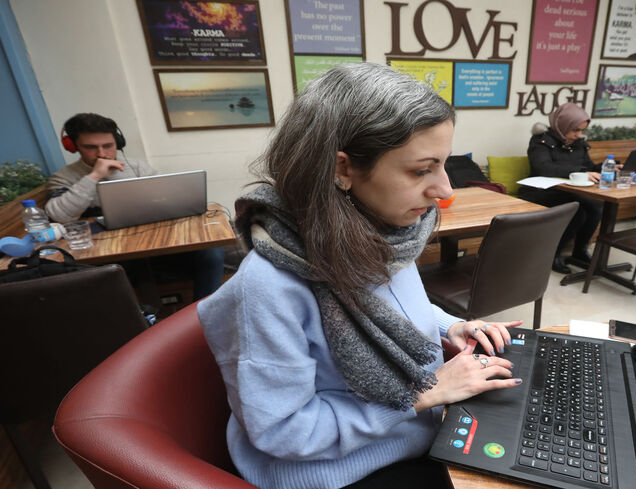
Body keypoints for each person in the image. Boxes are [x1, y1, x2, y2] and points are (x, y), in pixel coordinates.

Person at [197, 62, 524, 489]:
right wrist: (422, 394)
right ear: (343, 170)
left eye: (443, 164)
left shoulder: (384, 230)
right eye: (421, 169)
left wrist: (453, 326)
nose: (445, 190)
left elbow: (390, 309)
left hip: (410, 432)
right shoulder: (270, 286)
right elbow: (284, 432)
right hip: (337, 470)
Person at [47, 112, 223, 300]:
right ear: (73, 147)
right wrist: (94, 176)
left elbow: (167, 196)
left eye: (108, 146)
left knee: (211, 253)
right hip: (110, 251)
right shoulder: (64, 177)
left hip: (155, 244)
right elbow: (59, 216)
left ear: (118, 143)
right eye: (90, 147)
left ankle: (204, 310)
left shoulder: (137, 168)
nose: (101, 153)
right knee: (118, 270)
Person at [521, 102, 603, 274]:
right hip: (540, 192)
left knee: (595, 207)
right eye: (575, 130)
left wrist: (607, 167)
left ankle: (580, 251)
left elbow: (588, 166)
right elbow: (544, 168)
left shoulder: (578, 143)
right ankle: (553, 254)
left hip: (568, 192)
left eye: (582, 130)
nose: (579, 135)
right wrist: (580, 172)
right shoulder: (540, 140)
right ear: (562, 125)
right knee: (577, 212)